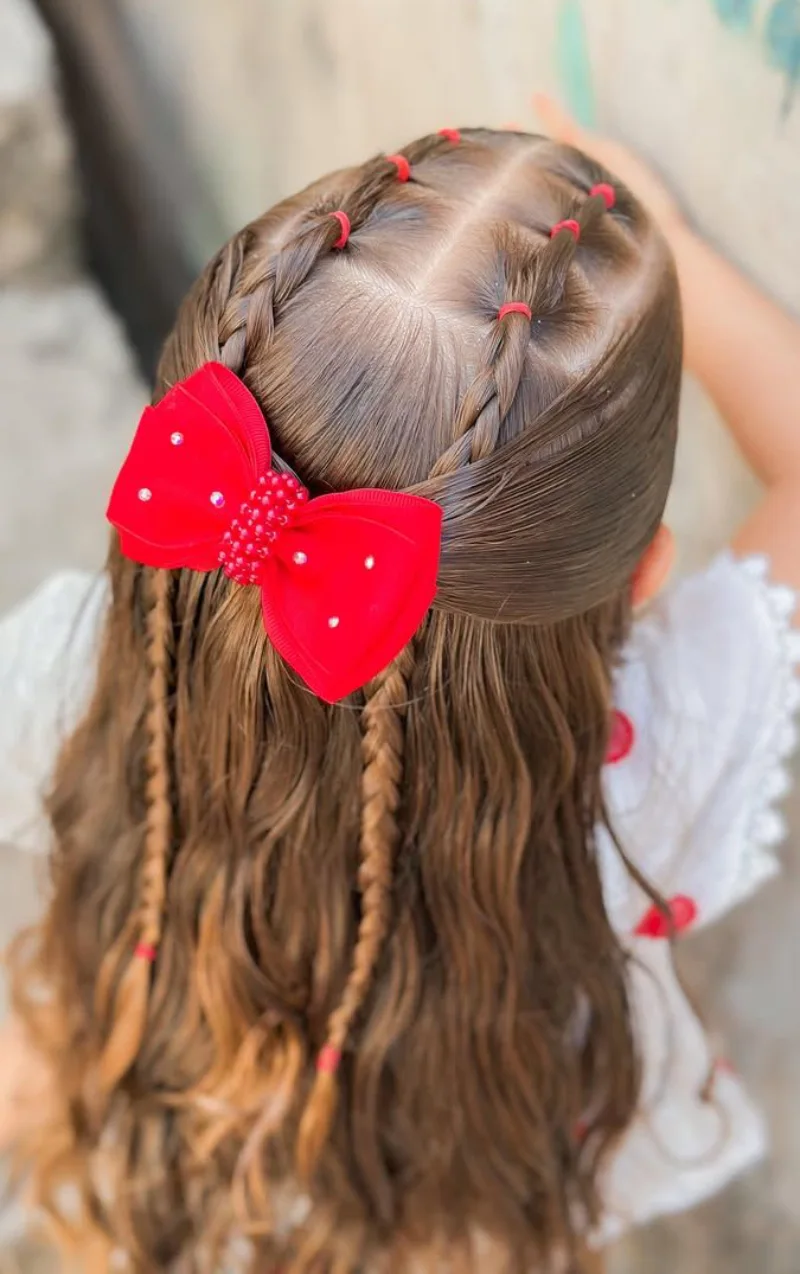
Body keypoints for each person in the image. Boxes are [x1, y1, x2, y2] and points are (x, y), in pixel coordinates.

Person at [0, 108, 798, 1274]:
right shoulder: (659, 747)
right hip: (477, 1184)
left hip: (172, 1094)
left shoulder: (79, 657)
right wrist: (668, 231)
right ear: (644, 576)